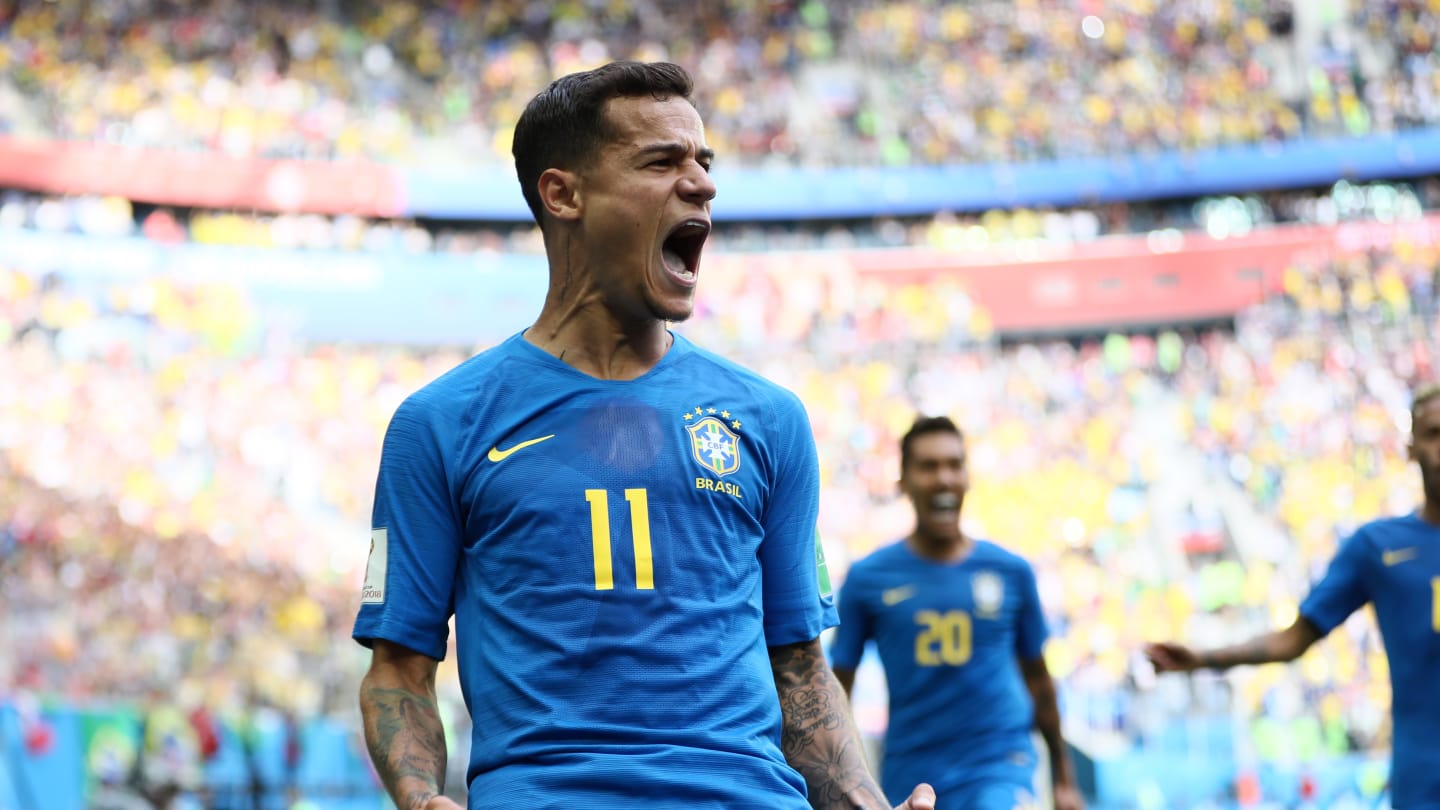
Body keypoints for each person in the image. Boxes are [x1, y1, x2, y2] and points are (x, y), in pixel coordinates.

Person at [350, 60, 935, 810]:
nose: (702, 185)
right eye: (661, 162)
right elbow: (399, 671)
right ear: (564, 194)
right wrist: (418, 796)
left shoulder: (770, 419)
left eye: (704, 163)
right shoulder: (440, 424)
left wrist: (866, 805)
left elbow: (800, 669)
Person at [1145, 382, 1440, 809]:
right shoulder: (1376, 546)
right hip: (1423, 784)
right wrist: (1204, 658)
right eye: (1434, 434)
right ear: (1410, 449)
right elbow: (1293, 639)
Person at [830, 416, 1086, 810]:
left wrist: (1064, 778)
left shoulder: (1011, 572)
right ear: (903, 481)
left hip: (1000, 766)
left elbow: (1039, 679)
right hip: (910, 774)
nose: (944, 478)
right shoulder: (868, 579)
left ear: (967, 477)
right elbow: (836, 689)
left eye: (954, 465)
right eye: (928, 466)